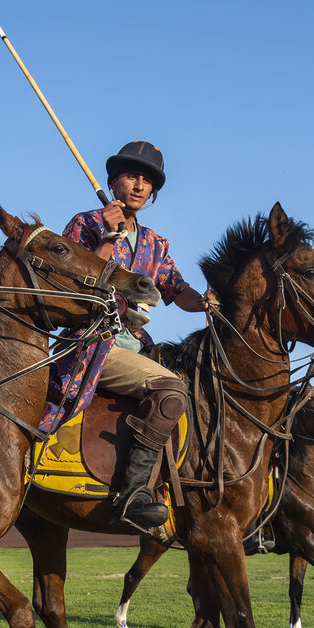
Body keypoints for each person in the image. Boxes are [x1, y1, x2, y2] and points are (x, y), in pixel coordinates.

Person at [48, 141, 211, 534]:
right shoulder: (84, 224)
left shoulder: (155, 243)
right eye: (132, 176)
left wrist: (206, 301)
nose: (139, 185)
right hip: (91, 344)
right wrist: (108, 235)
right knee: (171, 389)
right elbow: (76, 284)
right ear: (113, 182)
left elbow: (175, 289)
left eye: (147, 181)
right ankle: (133, 494)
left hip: (137, 346)